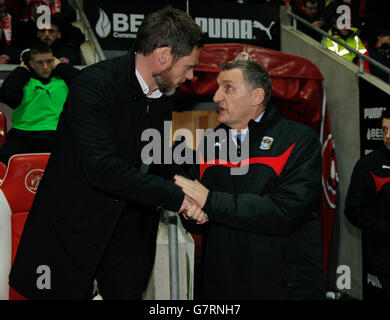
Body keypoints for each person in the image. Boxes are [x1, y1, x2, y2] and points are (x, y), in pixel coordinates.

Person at [9, 7, 205, 300]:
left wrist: (195, 187)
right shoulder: (93, 85)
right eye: (188, 66)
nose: (191, 76)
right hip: (72, 235)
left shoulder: (164, 96)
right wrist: (179, 199)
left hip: (128, 238)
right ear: (163, 56)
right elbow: (103, 169)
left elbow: (156, 159)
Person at [174, 59, 325, 299]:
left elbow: (287, 211)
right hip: (222, 287)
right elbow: (201, 212)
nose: (216, 97)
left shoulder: (298, 139)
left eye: (228, 88)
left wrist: (210, 201)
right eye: (217, 87)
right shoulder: (212, 143)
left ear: (256, 97)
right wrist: (192, 212)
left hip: (281, 288)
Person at [0, 41, 78, 164]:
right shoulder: (24, 82)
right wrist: (22, 69)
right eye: (40, 62)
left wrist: (60, 66)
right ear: (31, 63)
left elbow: (85, 83)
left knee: (79, 157)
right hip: (24, 134)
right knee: (3, 159)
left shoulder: (63, 81)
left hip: (56, 134)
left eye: (49, 61)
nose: (46, 66)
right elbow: (7, 95)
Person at [345, 108, 390, 300]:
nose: (388, 136)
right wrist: (385, 228)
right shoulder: (369, 165)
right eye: (385, 130)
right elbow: (353, 209)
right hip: (385, 258)